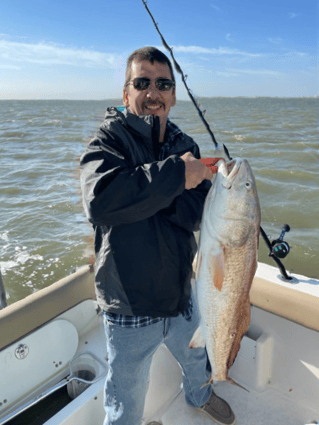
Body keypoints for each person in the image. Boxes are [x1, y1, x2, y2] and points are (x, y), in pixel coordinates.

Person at [80, 46, 235, 425]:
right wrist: (174, 179)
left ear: (174, 96)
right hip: (130, 300)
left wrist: (175, 191)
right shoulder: (108, 140)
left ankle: (199, 395)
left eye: (163, 83)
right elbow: (100, 202)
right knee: (126, 396)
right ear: (126, 94)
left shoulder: (185, 145)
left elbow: (195, 214)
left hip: (181, 290)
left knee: (197, 357)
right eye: (142, 82)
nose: (154, 92)